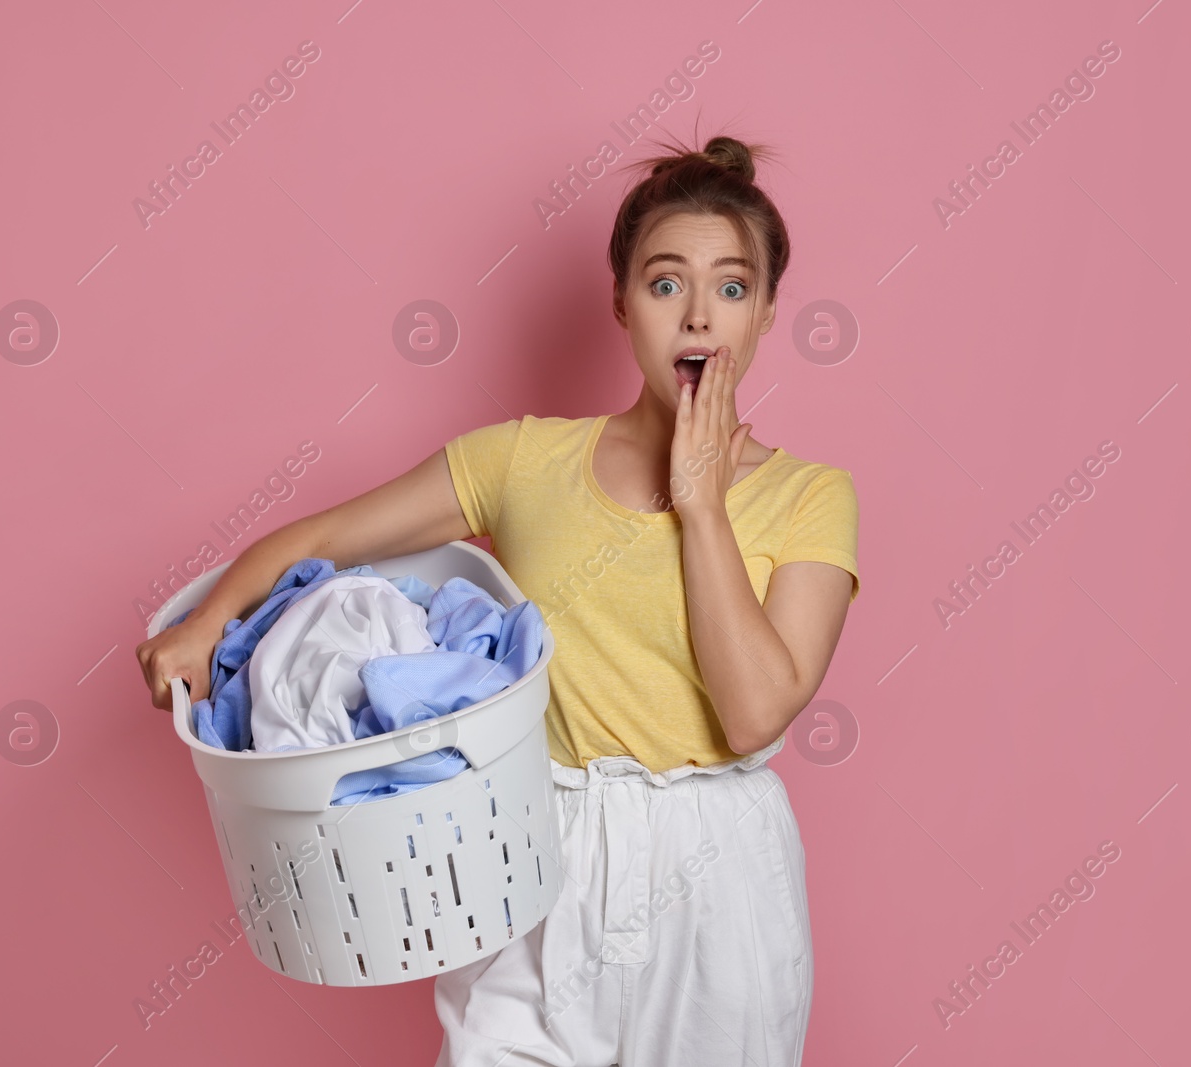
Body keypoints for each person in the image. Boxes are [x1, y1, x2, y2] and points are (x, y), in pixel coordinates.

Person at [135, 131, 859, 1066]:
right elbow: (320, 540)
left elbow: (756, 712)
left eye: (732, 287)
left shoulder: (810, 496)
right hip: (534, 844)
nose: (698, 317)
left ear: (764, 315)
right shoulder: (522, 461)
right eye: (665, 281)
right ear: (620, 302)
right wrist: (204, 621)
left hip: (715, 866)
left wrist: (702, 502)